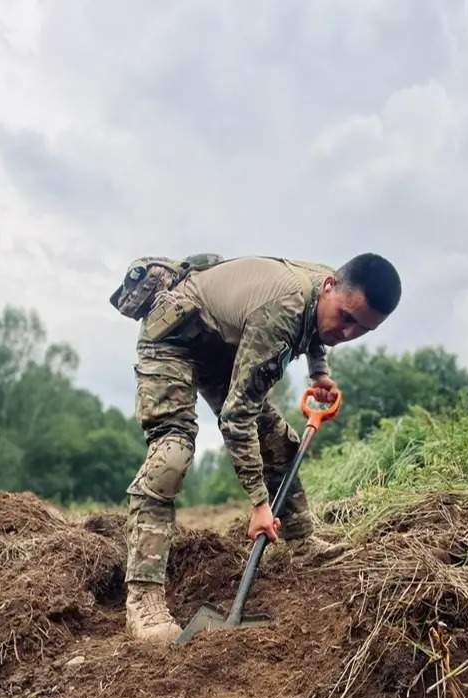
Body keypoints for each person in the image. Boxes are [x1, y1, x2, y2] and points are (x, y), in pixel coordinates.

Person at [125, 253, 401, 644]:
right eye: (346, 318)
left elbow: (318, 329)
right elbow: (236, 420)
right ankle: (143, 599)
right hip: (172, 337)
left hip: (221, 342)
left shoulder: (329, 291)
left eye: (361, 329)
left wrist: (319, 372)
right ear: (330, 287)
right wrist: (259, 506)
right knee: (171, 455)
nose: (347, 333)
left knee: (278, 441)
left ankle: (302, 543)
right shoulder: (281, 313)